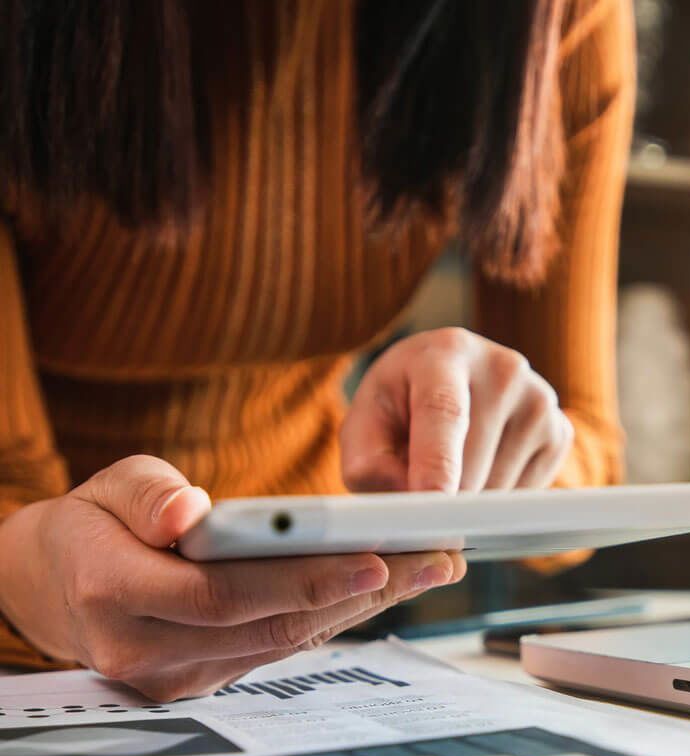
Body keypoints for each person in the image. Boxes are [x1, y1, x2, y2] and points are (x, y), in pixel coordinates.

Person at [0, 0, 634, 700]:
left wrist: (497, 445)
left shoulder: (559, 15)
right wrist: (24, 575)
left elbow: (587, 448)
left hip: (303, 647)